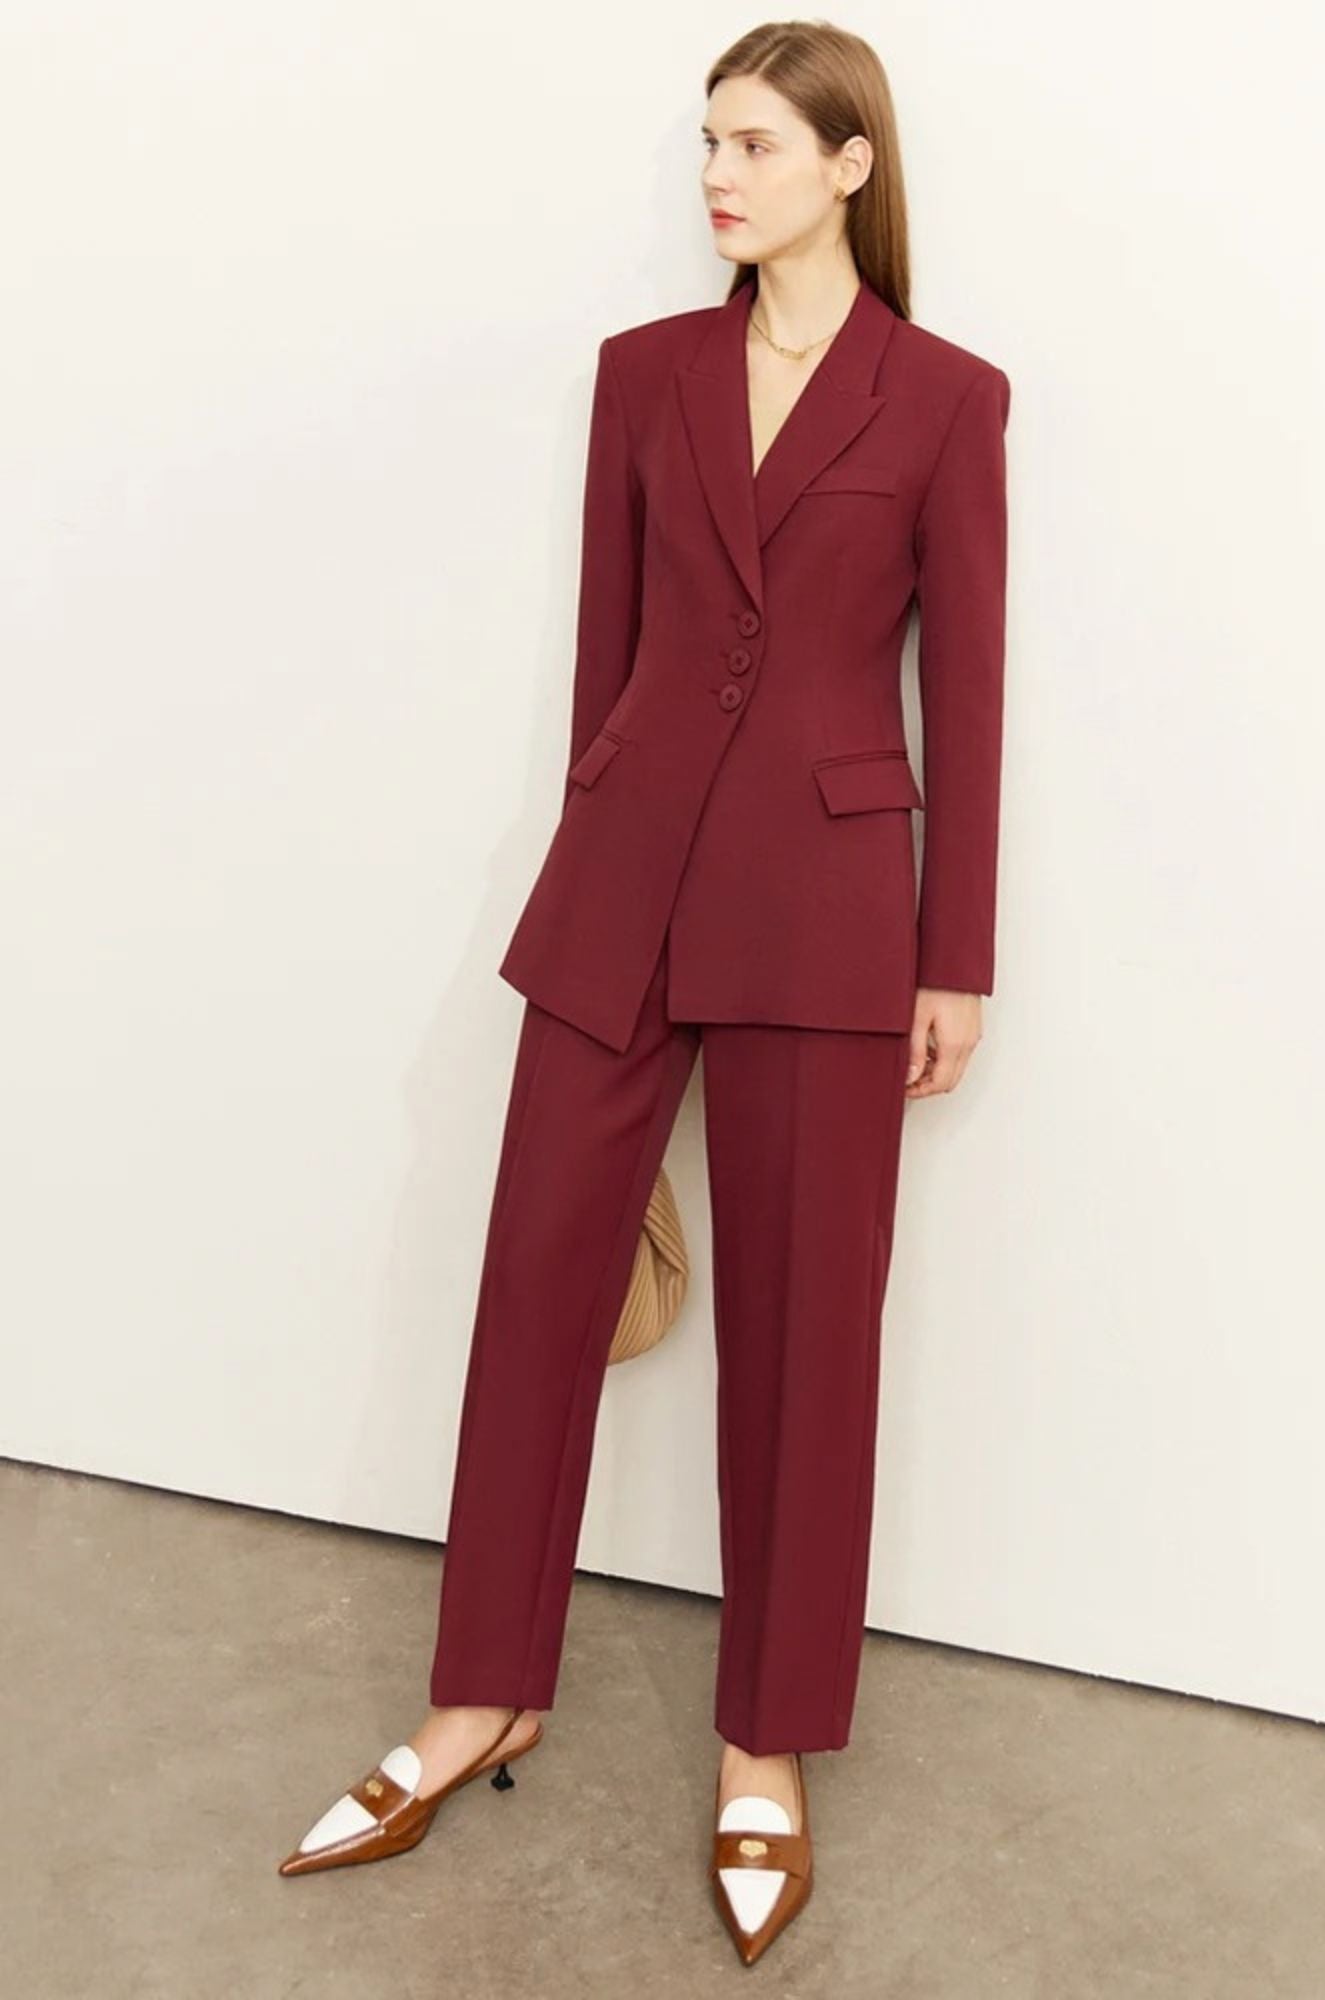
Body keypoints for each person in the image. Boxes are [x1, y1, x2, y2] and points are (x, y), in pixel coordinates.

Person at [277, 19, 1010, 1969]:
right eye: (708, 142)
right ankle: (477, 1694)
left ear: (851, 163)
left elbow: (972, 692)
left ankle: (763, 1743)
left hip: (837, 912)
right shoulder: (641, 377)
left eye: (755, 142)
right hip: (625, 886)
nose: (718, 173)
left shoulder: (945, 401)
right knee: (533, 1284)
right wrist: (597, 846)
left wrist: (961, 955)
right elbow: (612, 665)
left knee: (802, 1334)